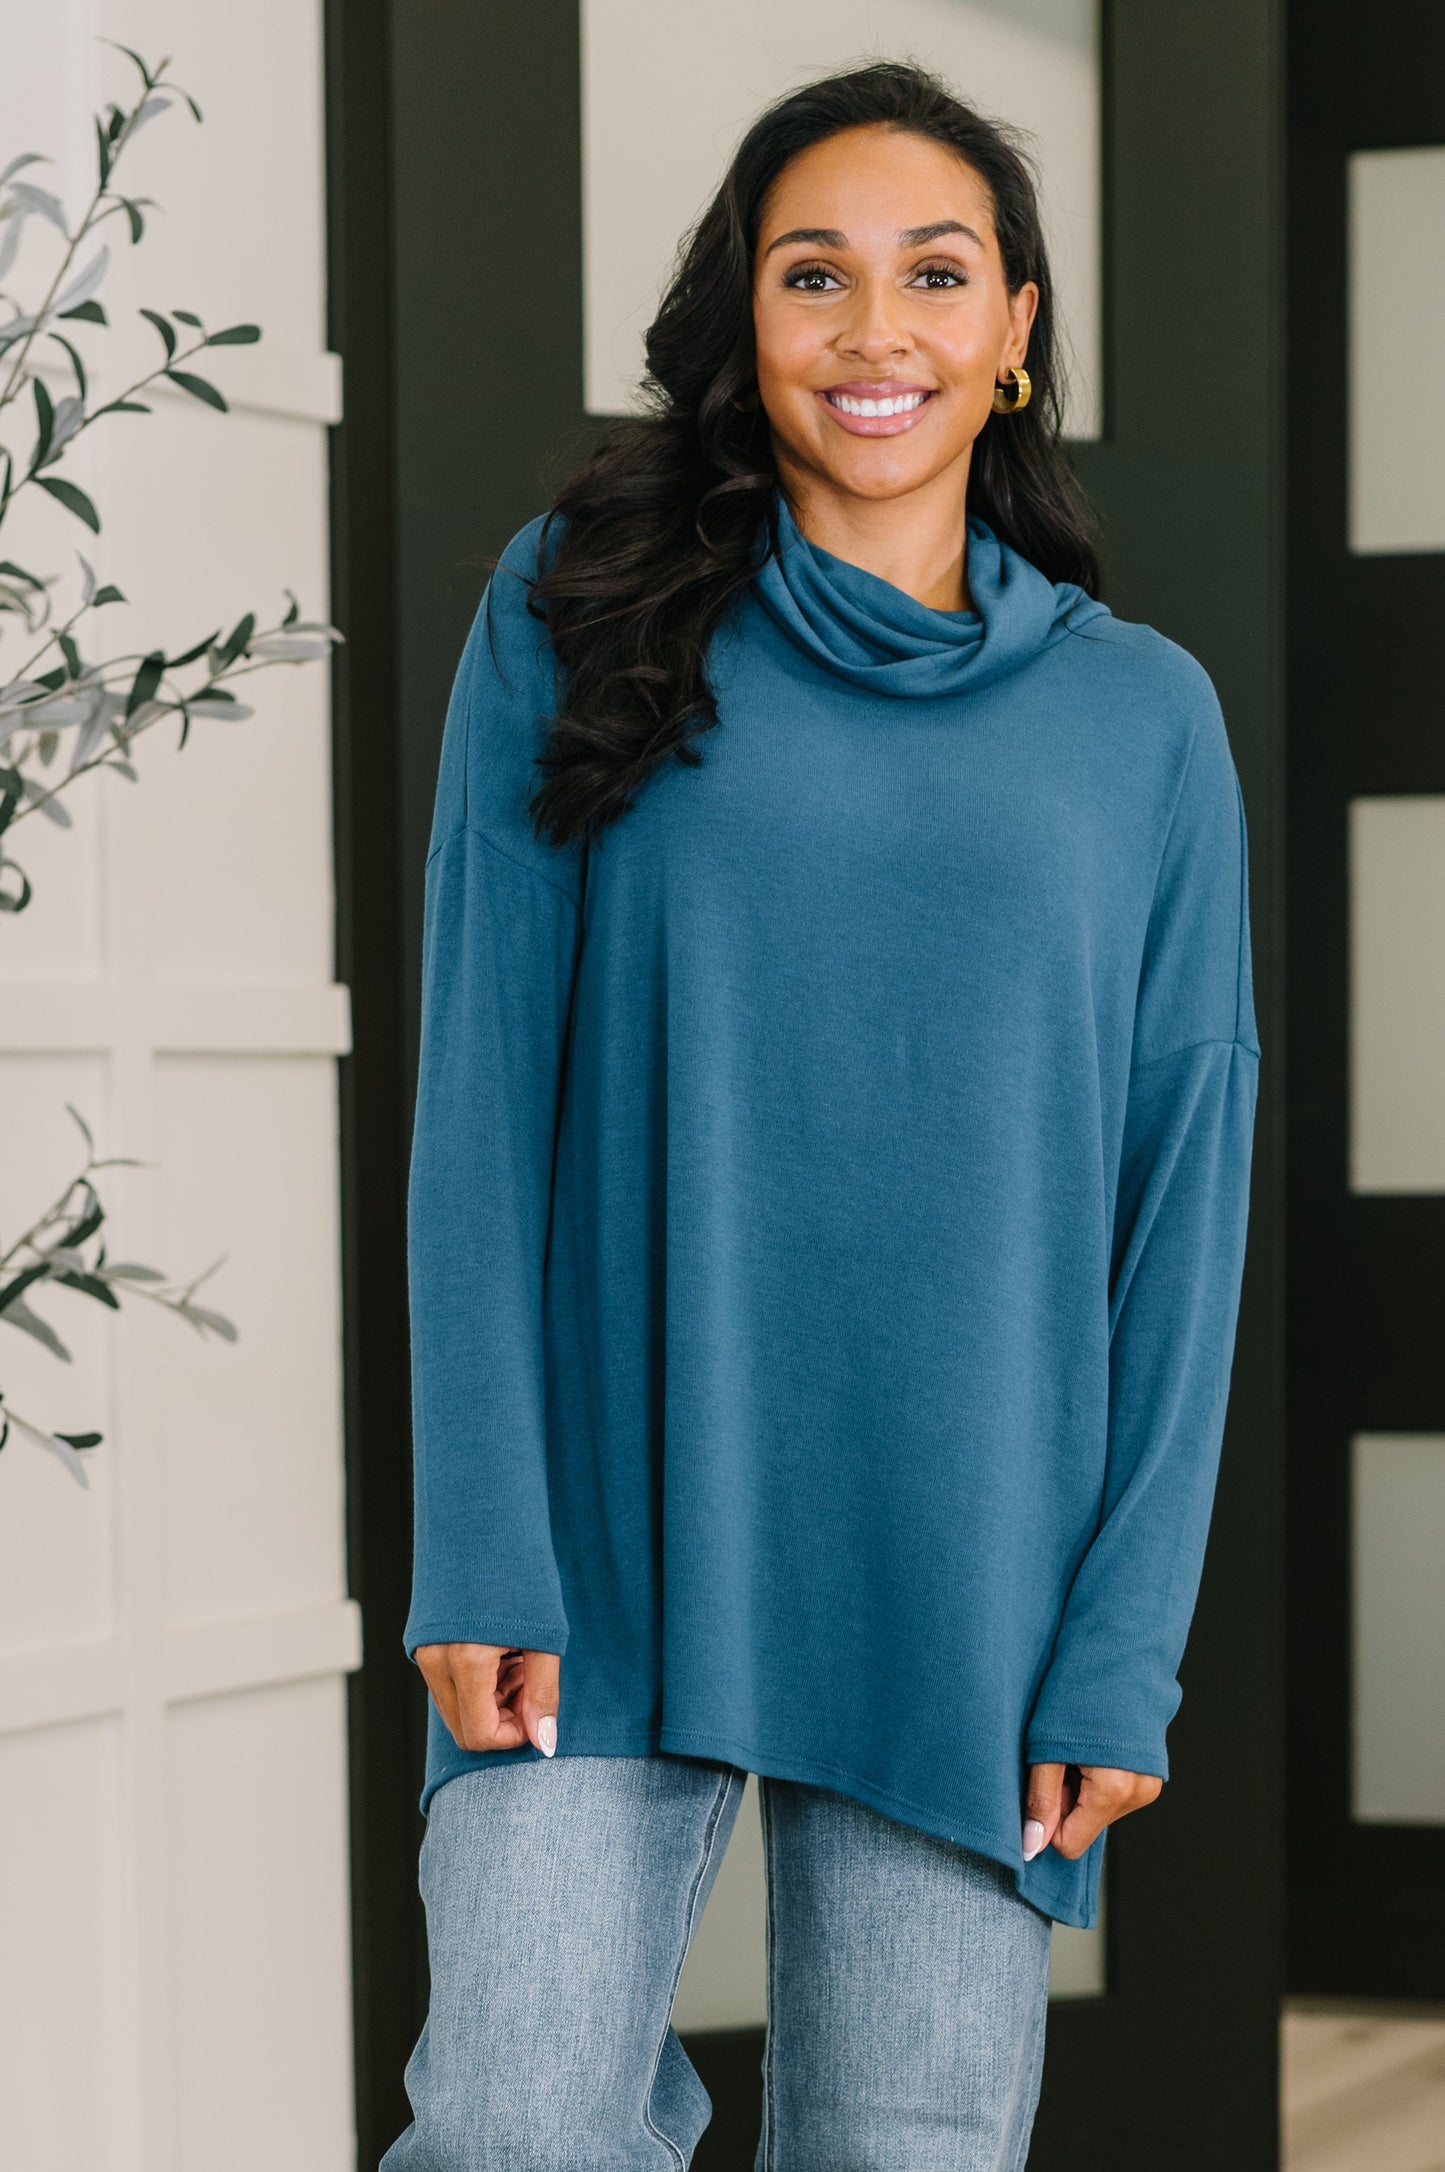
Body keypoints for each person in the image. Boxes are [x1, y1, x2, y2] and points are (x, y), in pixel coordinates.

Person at [382, 58, 1260, 2172]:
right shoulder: (574, 611)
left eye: (937, 274)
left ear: (1020, 329)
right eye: (816, 275)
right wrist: (477, 1538)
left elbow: (1182, 1198)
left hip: (976, 1563)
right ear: (744, 323)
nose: (879, 331)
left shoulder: (1143, 723)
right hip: (601, 1524)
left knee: (909, 2151)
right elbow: (482, 1099)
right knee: (510, 2125)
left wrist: (1120, 1650)